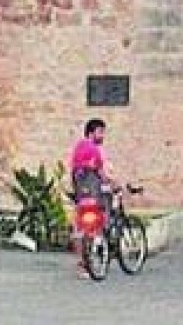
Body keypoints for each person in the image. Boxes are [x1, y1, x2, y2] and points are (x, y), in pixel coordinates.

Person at [69, 119, 116, 278]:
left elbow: (75, 171)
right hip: (95, 195)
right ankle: (95, 257)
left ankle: (82, 264)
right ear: (91, 133)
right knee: (97, 226)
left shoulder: (78, 148)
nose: (102, 135)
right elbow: (100, 173)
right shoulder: (93, 149)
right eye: (100, 132)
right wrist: (113, 184)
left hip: (81, 195)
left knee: (80, 230)